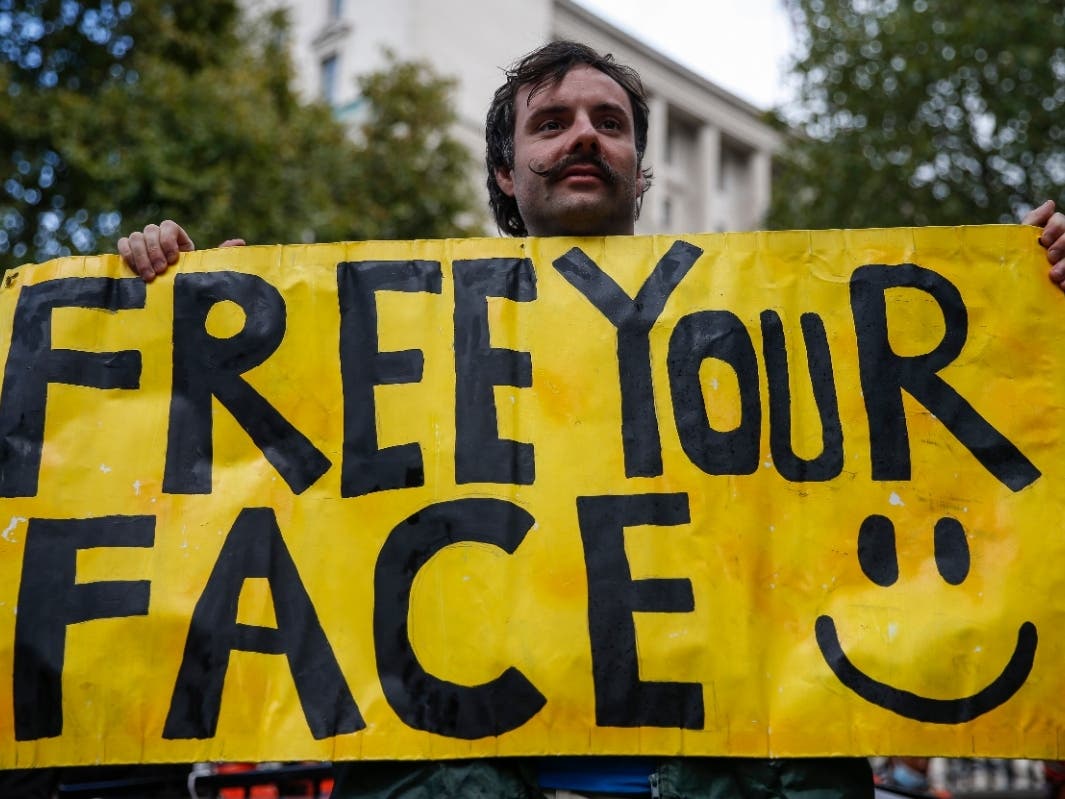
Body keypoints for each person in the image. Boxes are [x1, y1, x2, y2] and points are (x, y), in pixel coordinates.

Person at [118, 40, 1065, 799]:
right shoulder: (391, 343)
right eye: (552, 122)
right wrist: (193, 308)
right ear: (504, 171)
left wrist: (1026, 306)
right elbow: (261, 489)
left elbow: (920, 466)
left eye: (609, 123)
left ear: (641, 174)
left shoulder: (756, 336)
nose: (583, 136)